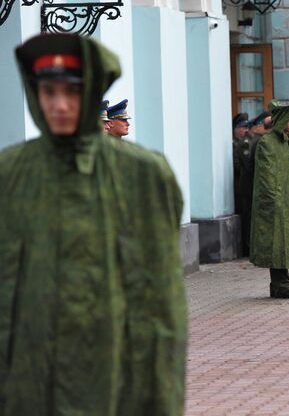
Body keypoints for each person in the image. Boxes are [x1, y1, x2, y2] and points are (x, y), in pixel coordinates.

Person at [1, 33, 186, 414]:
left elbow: (162, 298)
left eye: (72, 93)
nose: (60, 105)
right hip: (28, 382)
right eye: (48, 92)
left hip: (116, 379)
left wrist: (161, 396)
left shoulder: (142, 175)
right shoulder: (11, 173)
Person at [250, 102, 289, 299]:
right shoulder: (267, 142)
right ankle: (281, 284)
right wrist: (275, 202)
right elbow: (267, 177)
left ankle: (280, 284)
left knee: (285, 243)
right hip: (276, 204)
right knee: (278, 243)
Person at [233, 113, 253, 253]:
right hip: (240, 187)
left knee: (249, 216)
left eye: (246, 127)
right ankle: (246, 246)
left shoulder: (248, 143)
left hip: (246, 186)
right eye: (242, 127)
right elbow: (239, 166)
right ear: (235, 128)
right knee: (245, 216)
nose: (245, 130)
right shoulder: (236, 144)